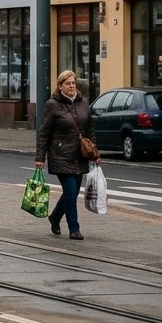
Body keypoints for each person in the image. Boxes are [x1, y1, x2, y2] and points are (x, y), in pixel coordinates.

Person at [35, 69, 95, 241]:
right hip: (60, 155)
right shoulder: (52, 104)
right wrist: (40, 157)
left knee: (73, 192)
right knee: (70, 191)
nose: (71, 86)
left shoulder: (83, 102)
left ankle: (54, 217)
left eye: (73, 83)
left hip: (80, 155)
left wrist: (95, 152)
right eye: (67, 83)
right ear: (60, 86)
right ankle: (74, 229)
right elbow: (44, 133)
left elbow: (90, 128)